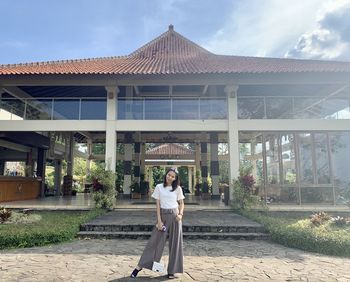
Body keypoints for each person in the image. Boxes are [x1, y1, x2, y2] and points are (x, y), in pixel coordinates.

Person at [131, 167, 185, 279]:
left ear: (175, 179)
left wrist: (180, 214)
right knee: (154, 242)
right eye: (169, 175)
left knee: (175, 244)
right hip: (163, 217)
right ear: (166, 175)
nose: (170, 177)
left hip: (175, 217)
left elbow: (181, 203)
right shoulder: (159, 187)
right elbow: (158, 206)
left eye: (173, 176)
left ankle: (172, 271)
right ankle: (139, 266)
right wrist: (159, 221)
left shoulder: (178, 189)